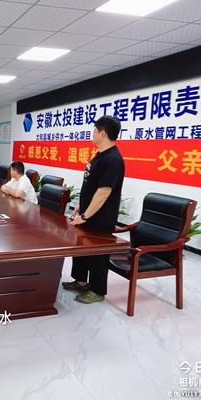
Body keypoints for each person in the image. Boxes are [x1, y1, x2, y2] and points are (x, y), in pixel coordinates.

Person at [63, 115, 125, 304]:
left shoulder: (113, 159)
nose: (92, 134)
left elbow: (103, 192)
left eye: (94, 130)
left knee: (98, 255)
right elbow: (91, 185)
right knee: (81, 249)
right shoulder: (100, 155)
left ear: (102, 133)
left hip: (101, 217)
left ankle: (97, 291)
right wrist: (81, 206)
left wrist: (86, 216)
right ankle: (81, 282)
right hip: (88, 213)